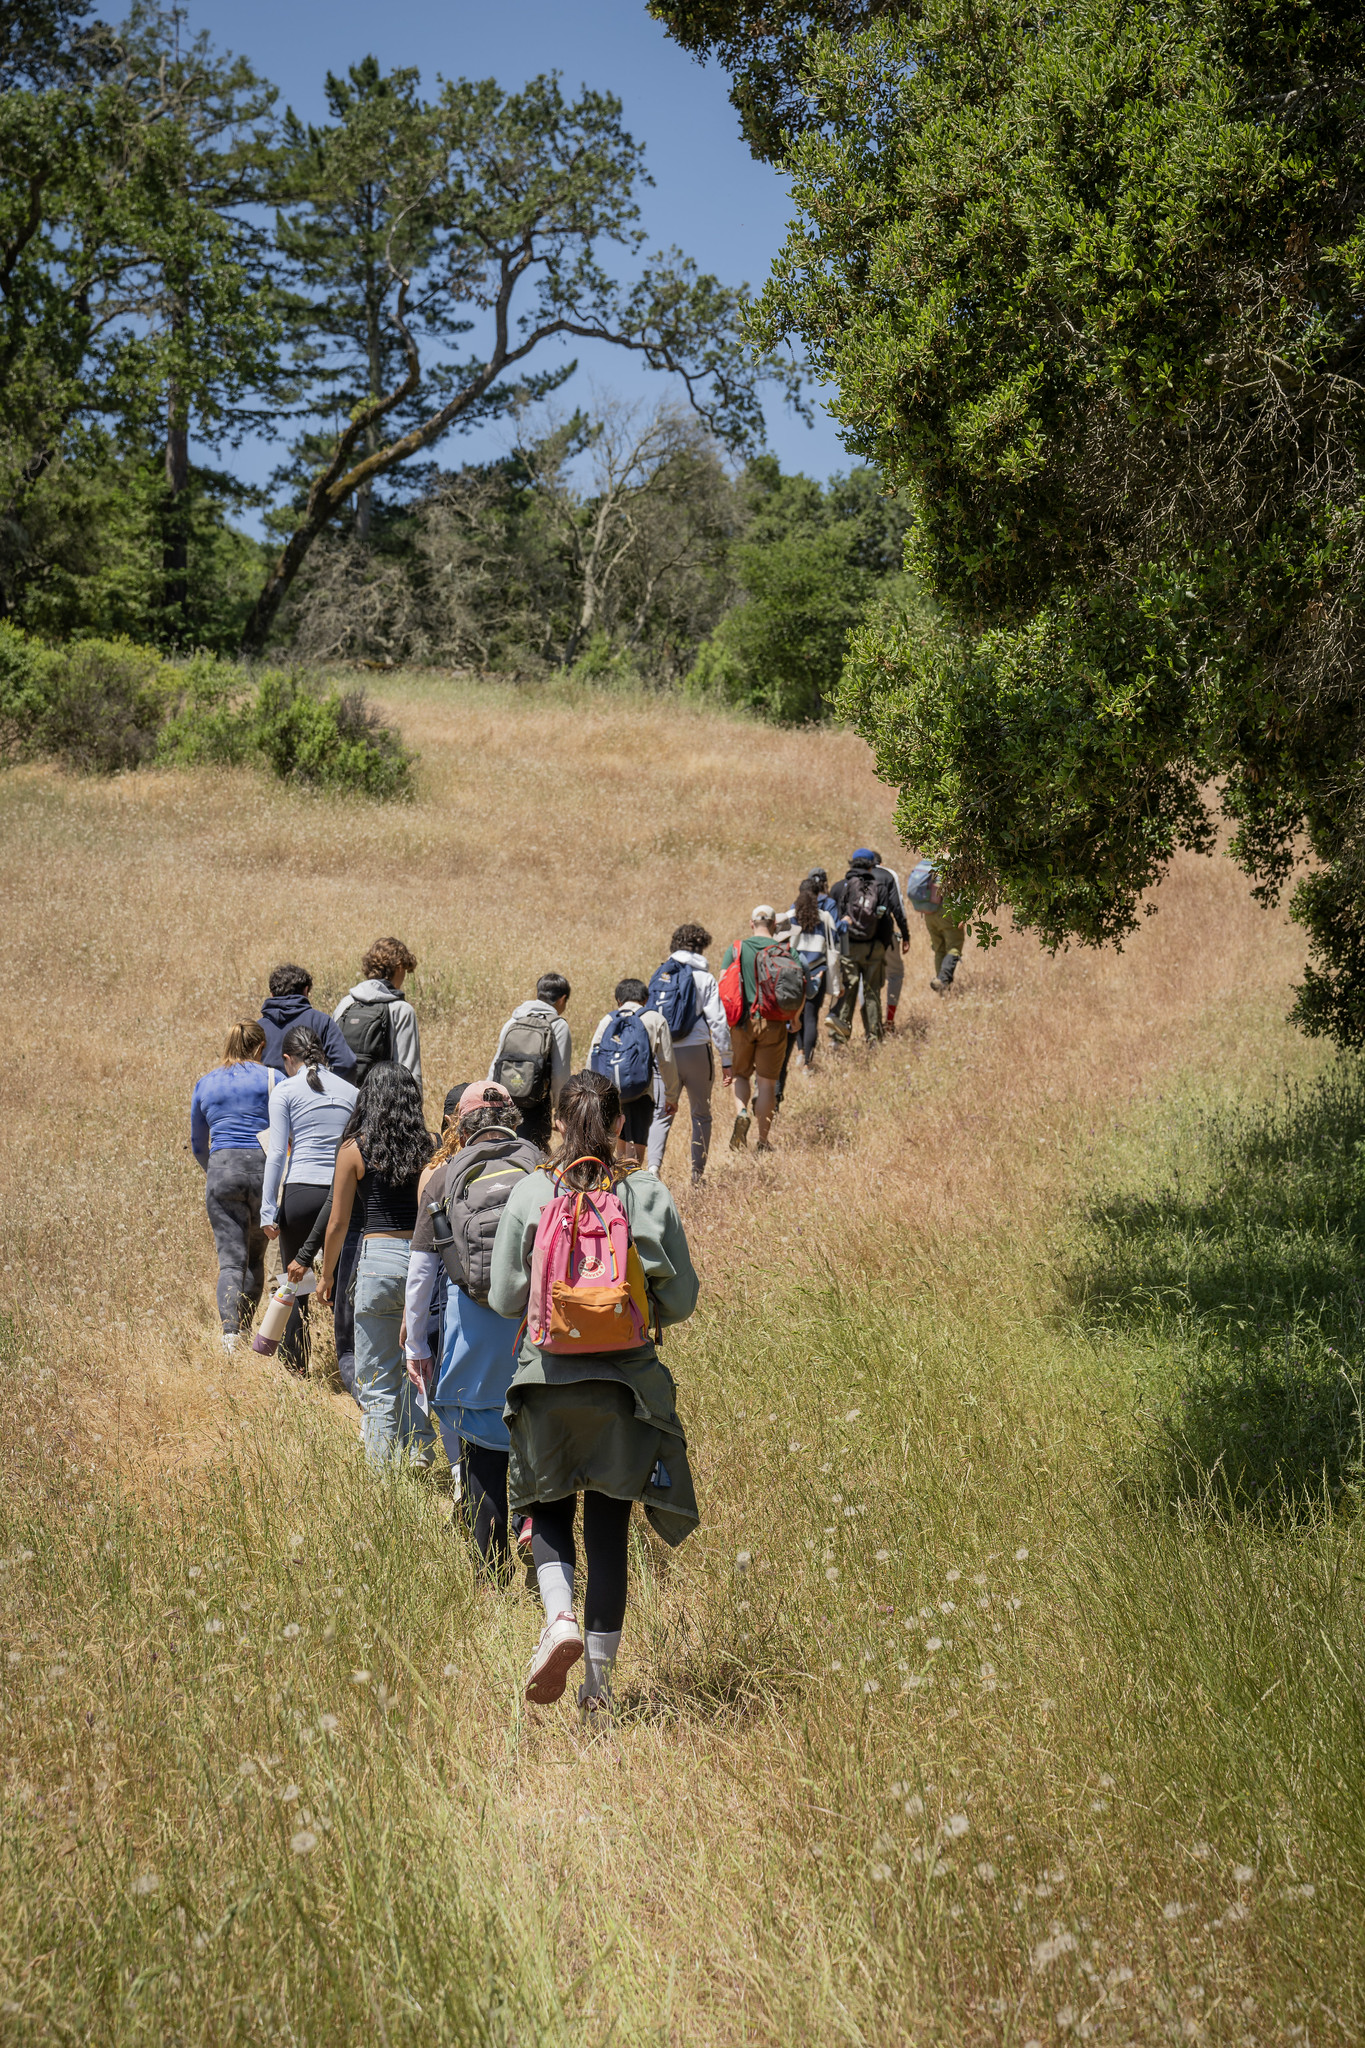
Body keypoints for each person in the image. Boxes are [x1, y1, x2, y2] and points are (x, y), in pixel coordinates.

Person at [488, 1070, 700, 1719]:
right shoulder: (645, 1193)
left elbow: (504, 1298)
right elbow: (683, 1299)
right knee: (608, 1530)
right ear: (619, 1125)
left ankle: (559, 1619)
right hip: (626, 1390)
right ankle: (599, 1691)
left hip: (545, 1384)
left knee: (547, 1508)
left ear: (555, 1123)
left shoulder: (531, 1192)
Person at [402, 1082, 540, 1575]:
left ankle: (491, 1570)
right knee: (534, 1433)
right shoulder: (541, 1167)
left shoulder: (445, 1176)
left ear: (461, 1126)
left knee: (481, 1451)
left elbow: (421, 1271)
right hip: (534, 1330)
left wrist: (416, 1343)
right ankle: (535, 1528)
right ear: (512, 1118)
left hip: (473, 1335)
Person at [319, 1063, 435, 1468]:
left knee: (376, 1377)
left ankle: (384, 1474)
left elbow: (337, 1223)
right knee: (416, 1361)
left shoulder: (354, 1150)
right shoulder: (431, 1147)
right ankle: (419, 1450)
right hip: (422, 1261)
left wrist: (327, 1275)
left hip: (377, 1262)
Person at [259, 1026, 358, 1374]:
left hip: (300, 1193)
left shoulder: (285, 1090)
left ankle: (296, 1370)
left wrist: (268, 1210)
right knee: (342, 1284)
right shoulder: (351, 1091)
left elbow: (276, 1154)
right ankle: (351, 1362)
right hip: (341, 1194)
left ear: (288, 1059)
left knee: (296, 1285)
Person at [190, 1021, 274, 1354]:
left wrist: (216, 1171)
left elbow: (199, 1144)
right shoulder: (273, 1079)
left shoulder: (206, 1083)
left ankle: (229, 1336)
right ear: (260, 1047)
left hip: (222, 1168)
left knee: (230, 1261)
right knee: (254, 1257)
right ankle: (247, 1327)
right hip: (263, 1171)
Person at [645, 924, 733, 1182]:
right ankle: (697, 1174)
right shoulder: (705, 978)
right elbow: (718, 1022)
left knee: (662, 1113)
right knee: (701, 1114)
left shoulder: (661, 975)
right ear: (702, 947)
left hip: (664, 1053)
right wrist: (726, 1059)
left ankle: (653, 1169)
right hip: (696, 1052)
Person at [588, 979, 679, 1169]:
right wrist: (671, 1096)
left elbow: (592, 1058)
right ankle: (631, 1178)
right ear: (645, 999)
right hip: (641, 1092)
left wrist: (591, 1095)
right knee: (636, 1150)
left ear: (618, 1000)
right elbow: (667, 1061)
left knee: (618, 1145)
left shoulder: (608, 1020)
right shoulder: (655, 1019)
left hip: (609, 1093)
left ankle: (618, 1180)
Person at [721, 907, 789, 1153]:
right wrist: (796, 1019)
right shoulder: (785, 949)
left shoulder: (737, 948)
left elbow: (723, 984)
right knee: (767, 1083)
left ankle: (741, 1112)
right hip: (774, 1023)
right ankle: (763, 1141)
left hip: (742, 1023)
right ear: (774, 924)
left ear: (752, 923)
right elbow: (799, 987)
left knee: (740, 1075)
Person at [826, 850, 909, 1045]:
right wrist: (887, 942)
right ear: (872, 866)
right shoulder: (879, 887)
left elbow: (834, 920)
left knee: (848, 991)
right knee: (872, 993)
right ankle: (873, 1038)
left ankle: (838, 1039)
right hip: (874, 948)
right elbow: (887, 919)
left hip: (848, 948)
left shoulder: (840, 887)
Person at [488, 973, 572, 1152]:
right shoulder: (558, 1025)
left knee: (506, 1150)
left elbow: (496, 1064)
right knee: (534, 1153)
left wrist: (489, 1102)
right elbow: (560, 1075)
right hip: (537, 1105)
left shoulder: (514, 1020)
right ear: (562, 999)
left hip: (506, 1102)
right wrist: (560, 1109)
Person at [334, 938, 422, 1091]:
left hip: (343, 1098)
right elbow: (409, 1070)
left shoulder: (346, 1003)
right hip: (382, 1101)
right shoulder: (401, 1010)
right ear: (399, 967)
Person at [780, 879, 842, 1080]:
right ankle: (808, 1062)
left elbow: (780, 947)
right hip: (818, 972)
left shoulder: (789, 916)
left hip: (793, 973)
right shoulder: (825, 917)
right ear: (818, 895)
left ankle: (799, 1052)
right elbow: (834, 950)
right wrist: (837, 982)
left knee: (795, 1013)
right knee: (811, 1016)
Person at [258, 964, 356, 1078]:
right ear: (305, 991)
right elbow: (346, 1063)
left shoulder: (257, 1028)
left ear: (272, 994)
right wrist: (326, 1085)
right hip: (312, 1087)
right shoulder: (321, 1021)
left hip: (269, 1089)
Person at [906, 849, 967, 993]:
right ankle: (943, 980)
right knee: (954, 947)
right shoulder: (953, 862)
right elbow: (958, 891)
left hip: (929, 912)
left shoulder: (930, 861)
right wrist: (963, 914)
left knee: (939, 949)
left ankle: (942, 989)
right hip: (947, 911)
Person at [868, 851, 910, 1032]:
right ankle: (889, 1021)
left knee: (866, 979)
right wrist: (905, 934)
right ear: (881, 862)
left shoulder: (853, 876)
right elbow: (897, 906)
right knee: (895, 975)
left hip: (860, 937)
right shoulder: (888, 874)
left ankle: (872, 1024)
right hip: (885, 935)